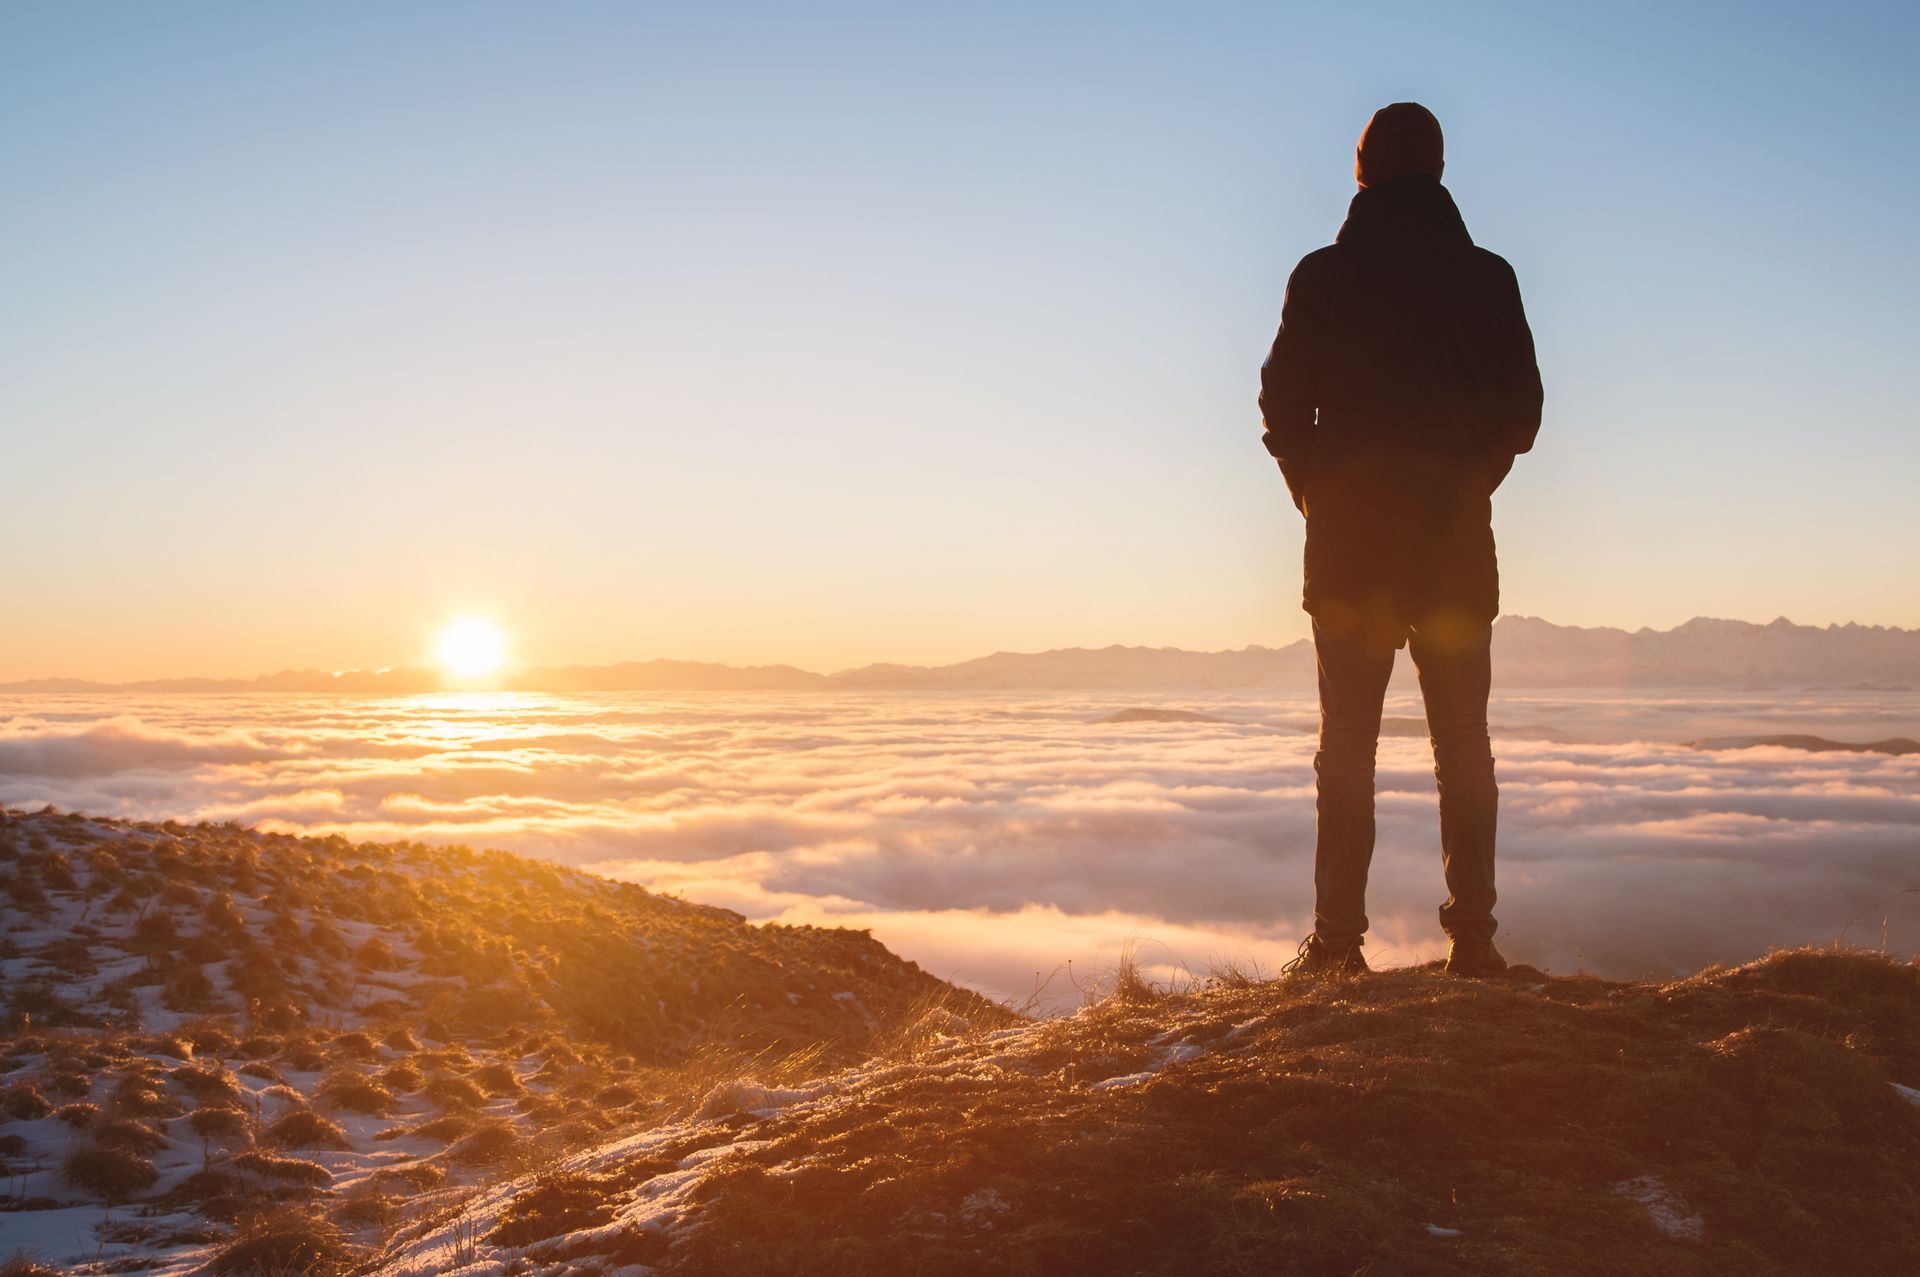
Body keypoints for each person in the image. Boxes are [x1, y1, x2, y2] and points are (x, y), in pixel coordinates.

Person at [1259, 102, 1542, 978]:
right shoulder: (1488, 277)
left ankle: (1337, 947)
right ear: (1441, 170)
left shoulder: (1324, 276)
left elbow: (1279, 406)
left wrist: (1318, 494)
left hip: (1349, 556)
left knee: (1347, 746)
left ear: (1364, 171)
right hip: (1454, 553)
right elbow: (1522, 411)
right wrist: (1467, 486)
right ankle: (1477, 946)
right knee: (1464, 743)